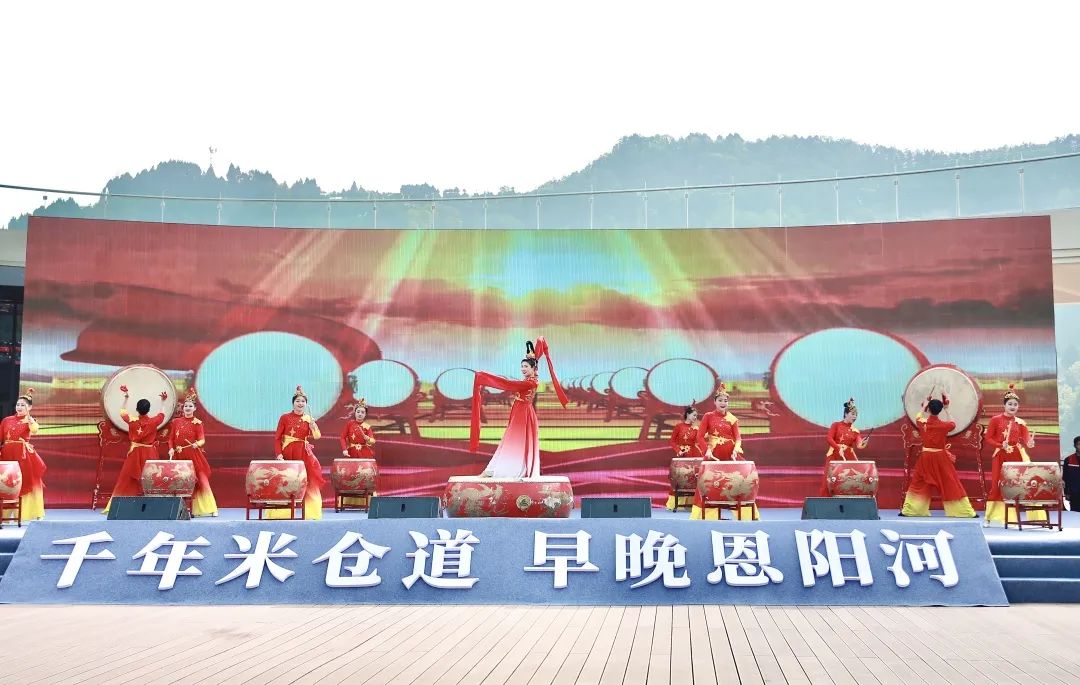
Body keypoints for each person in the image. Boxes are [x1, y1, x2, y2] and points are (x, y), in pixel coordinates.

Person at [469, 337, 568, 478]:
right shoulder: (530, 380)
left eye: (526, 367)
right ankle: (495, 469)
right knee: (513, 440)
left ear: (533, 368)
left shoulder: (530, 383)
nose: (523, 369)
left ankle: (502, 470)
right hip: (521, 411)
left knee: (513, 440)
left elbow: (508, 384)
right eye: (522, 366)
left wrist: (484, 378)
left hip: (523, 414)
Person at [899, 395, 976, 517]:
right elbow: (953, 423)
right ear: (939, 411)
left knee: (919, 483)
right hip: (940, 458)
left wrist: (924, 406)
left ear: (929, 409)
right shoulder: (944, 426)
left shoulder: (922, 423)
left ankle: (911, 510)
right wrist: (947, 409)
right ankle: (963, 511)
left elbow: (918, 416)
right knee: (950, 482)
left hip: (925, 457)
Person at [691, 383, 758, 520]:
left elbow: (738, 438)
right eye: (720, 400)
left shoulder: (732, 419)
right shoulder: (708, 416)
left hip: (730, 454)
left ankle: (746, 515)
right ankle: (707, 516)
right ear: (715, 402)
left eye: (725, 401)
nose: (723, 403)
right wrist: (707, 450)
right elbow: (699, 436)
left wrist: (736, 450)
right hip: (713, 454)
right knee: (707, 482)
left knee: (742, 481)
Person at [984, 384, 1046, 526]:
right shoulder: (995, 420)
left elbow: (1026, 439)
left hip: (1016, 456)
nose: (1013, 407)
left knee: (1019, 484)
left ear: (1018, 407)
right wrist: (1001, 445)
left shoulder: (1020, 422)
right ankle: (988, 517)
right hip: (1000, 455)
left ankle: (1017, 517)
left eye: (1015, 404)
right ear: (1004, 405)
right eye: (1010, 404)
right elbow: (988, 438)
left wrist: (1030, 443)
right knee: (997, 485)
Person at [103, 388, 167, 514]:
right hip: (150, 453)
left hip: (135, 453)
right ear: (149, 410)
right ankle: (153, 508)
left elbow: (122, 411)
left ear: (137, 409)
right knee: (152, 478)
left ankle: (118, 506)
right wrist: (163, 401)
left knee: (127, 478)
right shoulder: (154, 421)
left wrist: (126, 398)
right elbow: (162, 413)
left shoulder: (132, 421)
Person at [270, 385, 325, 520]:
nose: (300, 403)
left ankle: (312, 513)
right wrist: (279, 454)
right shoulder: (285, 417)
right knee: (286, 481)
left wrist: (313, 426)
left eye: (303, 401)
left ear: (306, 404)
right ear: (293, 403)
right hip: (288, 453)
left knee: (309, 481)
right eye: (298, 401)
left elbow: (317, 436)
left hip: (304, 453)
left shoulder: (308, 419)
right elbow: (277, 438)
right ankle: (281, 513)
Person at [168, 388, 218, 517]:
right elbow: (171, 438)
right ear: (183, 408)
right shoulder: (176, 422)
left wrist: (197, 444)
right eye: (186, 406)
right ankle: (179, 509)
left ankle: (211, 508)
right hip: (179, 457)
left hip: (193, 456)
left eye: (190, 406)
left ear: (194, 408)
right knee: (181, 482)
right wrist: (171, 448)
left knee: (202, 480)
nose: (187, 408)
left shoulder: (197, 423)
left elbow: (202, 439)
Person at [0, 388, 46, 520]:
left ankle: (29, 513)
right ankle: (4, 515)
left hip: (23, 455)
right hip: (7, 454)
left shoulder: (30, 421)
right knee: (5, 481)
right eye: (18, 404)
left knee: (26, 481)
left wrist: (31, 421)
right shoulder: (7, 420)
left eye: (23, 405)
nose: (19, 407)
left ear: (29, 407)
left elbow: (35, 429)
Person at [819, 398, 870, 496]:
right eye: (853, 414)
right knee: (828, 479)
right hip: (834, 454)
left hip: (848, 456)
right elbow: (829, 438)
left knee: (854, 478)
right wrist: (838, 448)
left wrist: (864, 443)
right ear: (846, 414)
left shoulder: (855, 431)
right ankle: (826, 501)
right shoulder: (836, 425)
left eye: (856, 415)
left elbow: (859, 445)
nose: (855, 416)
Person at [339, 398, 376, 507]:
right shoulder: (350, 424)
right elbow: (342, 437)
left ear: (365, 414)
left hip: (365, 454)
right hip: (352, 453)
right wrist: (344, 449)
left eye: (362, 412)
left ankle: (367, 502)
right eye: (358, 412)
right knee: (352, 476)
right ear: (354, 413)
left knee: (365, 476)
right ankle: (349, 502)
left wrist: (367, 439)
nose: (360, 414)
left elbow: (373, 441)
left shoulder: (367, 426)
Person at [665, 405, 701, 511]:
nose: (695, 417)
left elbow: (699, 442)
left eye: (696, 416)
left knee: (693, 480)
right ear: (688, 414)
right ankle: (674, 504)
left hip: (693, 455)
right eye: (694, 415)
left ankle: (690, 505)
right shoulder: (679, 426)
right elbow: (672, 441)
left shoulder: (696, 428)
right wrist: (678, 450)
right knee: (679, 480)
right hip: (682, 456)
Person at [1064, 436, 1080, 512]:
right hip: (1074, 493)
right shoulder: (1068, 460)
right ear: (1075, 446)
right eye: (1079, 444)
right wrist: (1066, 492)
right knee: (1075, 513)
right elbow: (1065, 478)